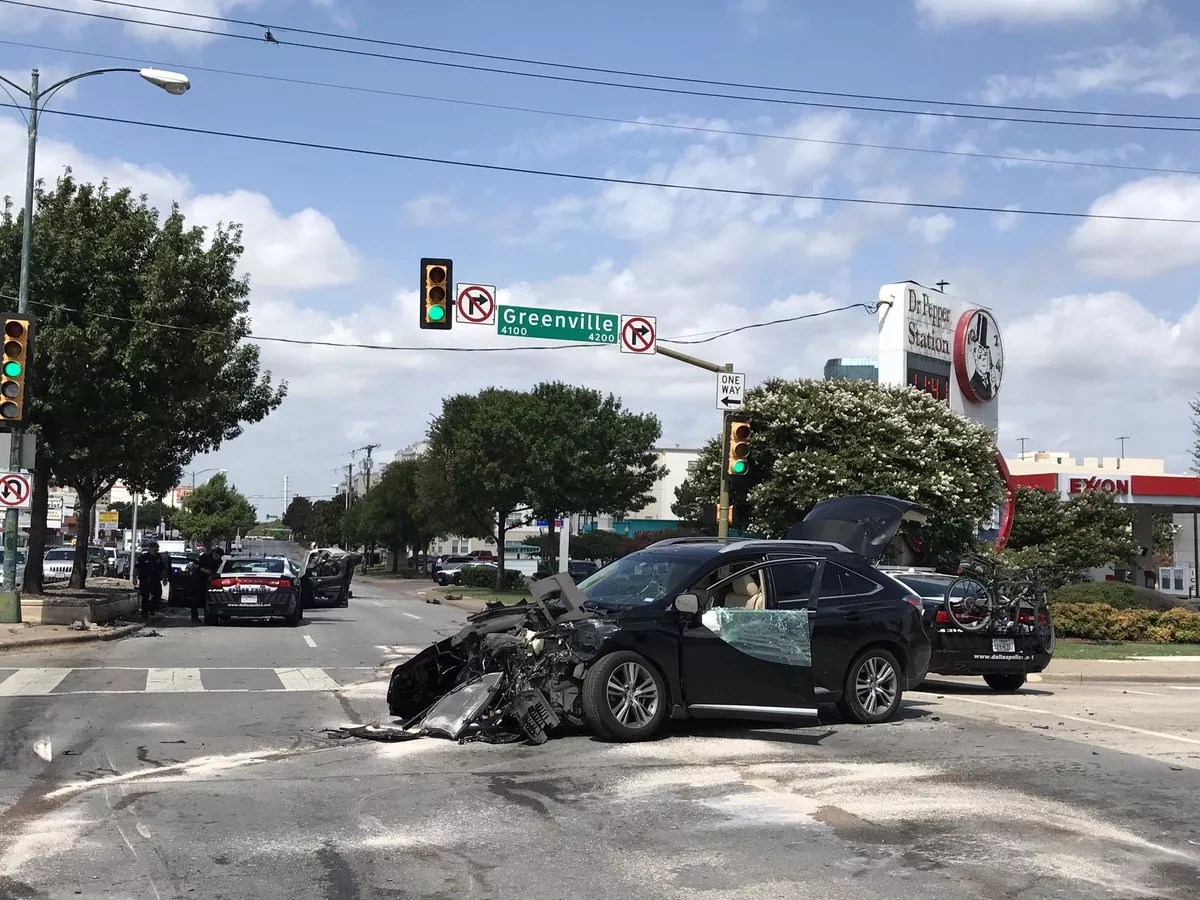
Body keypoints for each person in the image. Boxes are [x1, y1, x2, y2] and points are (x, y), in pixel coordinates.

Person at [134, 541, 167, 618]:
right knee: (145, 596)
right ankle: (144, 613)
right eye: (155, 550)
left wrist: (165, 578)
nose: (156, 552)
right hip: (145, 579)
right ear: (150, 549)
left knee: (158, 594)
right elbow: (137, 568)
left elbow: (163, 569)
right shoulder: (143, 557)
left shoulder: (159, 558)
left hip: (155, 579)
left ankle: (151, 608)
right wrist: (134, 578)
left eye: (157, 550)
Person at [192, 545, 225, 623]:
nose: (216, 556)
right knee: (195, 600)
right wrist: (202, 569)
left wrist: (208, 572)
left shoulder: (219, 563)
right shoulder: (204, 557)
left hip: (211, 583)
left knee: (208, 601)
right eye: (215, 553)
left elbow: (215, 572)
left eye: (218, 555)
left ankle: (208, 618)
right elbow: (194, 565)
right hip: (199, 581)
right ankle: (194, 617)